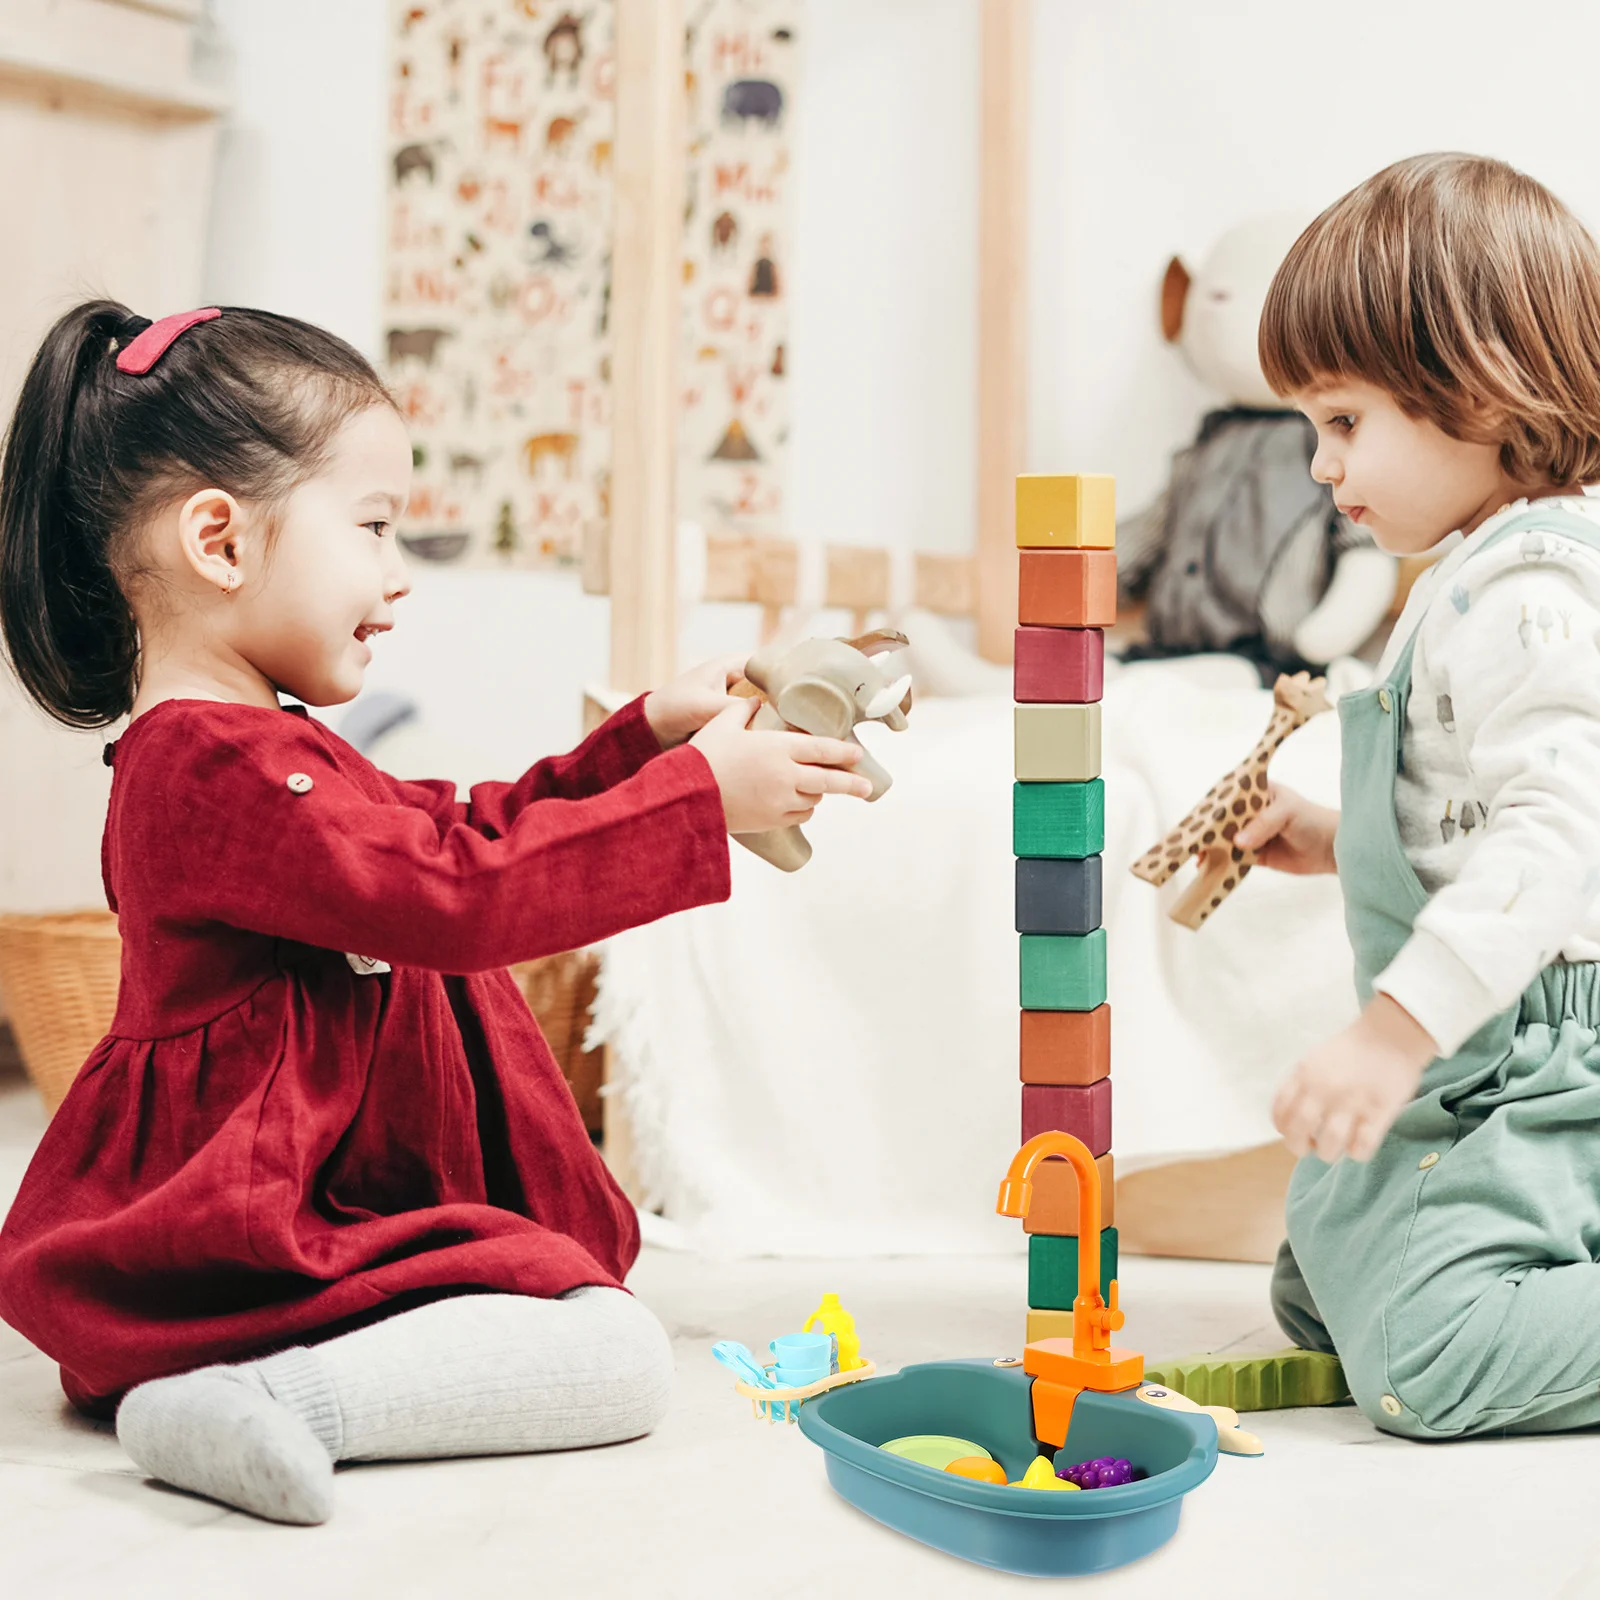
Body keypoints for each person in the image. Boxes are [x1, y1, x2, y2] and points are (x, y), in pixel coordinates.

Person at [0, 301, 873, 1522]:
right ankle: (270, 1397)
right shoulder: (209, 766)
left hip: (321, 1206)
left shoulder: (269, 751)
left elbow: (463, 832)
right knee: (615, 1358)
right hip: (250, 1229)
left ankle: (253, 1383)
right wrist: (693, 802)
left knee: (584, 1320)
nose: (398, 573)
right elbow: (457, 897)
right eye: (371, 527)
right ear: (220, 539)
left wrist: (645, 745)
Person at [1237, 153, 1600, 1439]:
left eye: (1343, 421)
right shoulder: (1467, 569)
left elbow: (1554, 836)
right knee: (1319, 1283)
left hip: (1529, 1055)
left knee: (1425, 1361)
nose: (1322, 468)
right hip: (1481, 1038)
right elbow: (1470, 815)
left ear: (1481, 391)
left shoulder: (1527, 594)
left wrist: (1391, 1034)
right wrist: (1345, 843)